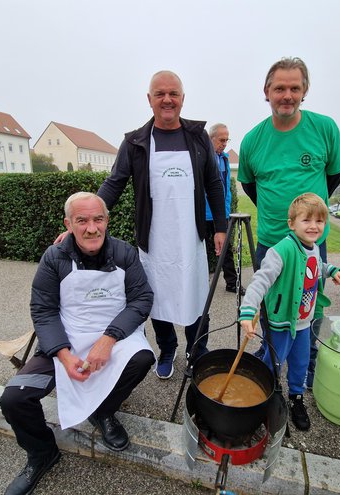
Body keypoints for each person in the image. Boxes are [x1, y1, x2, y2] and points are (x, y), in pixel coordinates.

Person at [0, 192, 155, 495]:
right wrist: (63, 354)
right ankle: (42, 453)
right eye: (82, 221)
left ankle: (104, 411)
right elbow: (43, 310)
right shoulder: (54, 257)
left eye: (98, 219)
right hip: (65, 339)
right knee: (14, 399)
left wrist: (109, 338)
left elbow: (141, 299)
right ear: (68, 224)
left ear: (107, 221)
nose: (92, 228)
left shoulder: (125, 253)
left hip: (115, 336)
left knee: (142, 358)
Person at [96, 70, 227, 379]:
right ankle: (166, 349)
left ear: (182, 98)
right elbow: (114, 183)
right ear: (150, 99)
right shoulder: (135, 142)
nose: (167, 99)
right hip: (154, 239)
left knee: (196, 295)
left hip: (190, 236)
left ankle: (198, 351)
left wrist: (220, 226)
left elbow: (214, 182)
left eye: (174, 93)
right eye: (160, 94)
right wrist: (90, 217)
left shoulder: (197, 137)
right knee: (158, 296)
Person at [237, 57, 340, 386]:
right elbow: (250, 186)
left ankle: (307, 361)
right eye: (279, 88)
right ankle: (271, 353)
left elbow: (334, 176)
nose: (287, 94)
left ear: (304, 91)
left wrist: (307, 216)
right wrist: (283, 216)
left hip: (312, 240)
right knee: (272, 304)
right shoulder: (253, 140)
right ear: (266, 92)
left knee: (308, 304)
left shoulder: (324, 128)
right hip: (271, 239)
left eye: (294, 88)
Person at [239, 193, 340, 431]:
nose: (314, 226)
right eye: (306, 220)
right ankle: (263, 395)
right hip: (281, 323)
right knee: (273, 363)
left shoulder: (314, 248)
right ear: (292, 223)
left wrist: (330, 270)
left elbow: (315, 267)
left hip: (305, 323)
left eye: (319, 221)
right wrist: (247, 310)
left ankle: (296, 398)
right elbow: (260, 281)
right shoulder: (281, 251)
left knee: (300, 363)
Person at [205, 123, 245, 295]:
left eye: (226, 140)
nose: (224, 144)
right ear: (211, 138)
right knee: (203, 251)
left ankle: (232, 283)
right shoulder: (203, 157)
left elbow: (226, 188)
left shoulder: (225, 159)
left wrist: (226, 210)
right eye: (221, 140)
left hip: (222, 214)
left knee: (227, 249)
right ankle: (199, 287)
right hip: (204, 214)